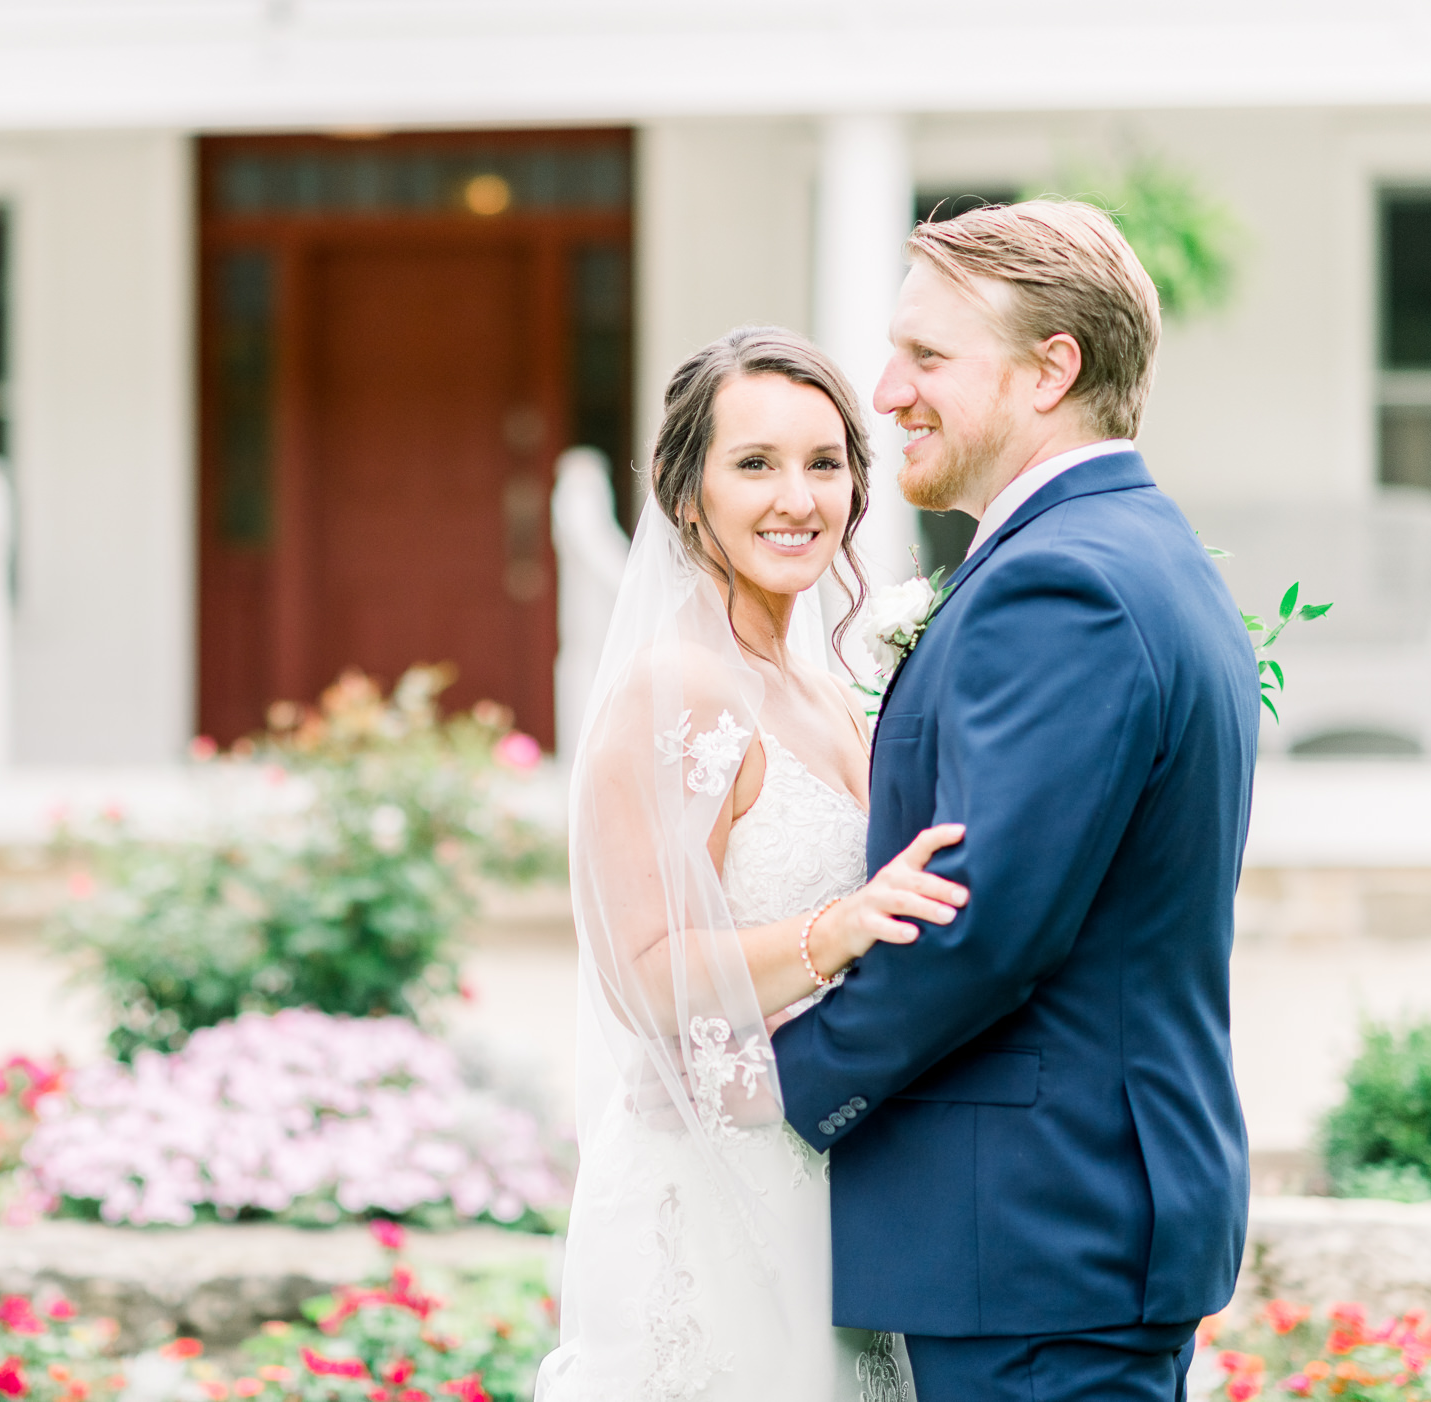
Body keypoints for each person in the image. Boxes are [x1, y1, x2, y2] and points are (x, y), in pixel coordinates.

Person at [772, 199, 1259, 1402]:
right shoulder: (1133, 550)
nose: (886, 392)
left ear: (1053, 370)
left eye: (929, 355)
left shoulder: (1062, 585)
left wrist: (783, 1079)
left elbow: (981, 923)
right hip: (1061, 1230)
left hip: (1039, 1234)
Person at [536, 326, 965, 1402]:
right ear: (689, 496)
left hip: (831, 1181)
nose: (797, 497)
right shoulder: (673, 689)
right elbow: (643, 978)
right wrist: (841, 929)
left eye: (825, 463)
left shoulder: (825, 686)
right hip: (710, 1196)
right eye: (756, 463)